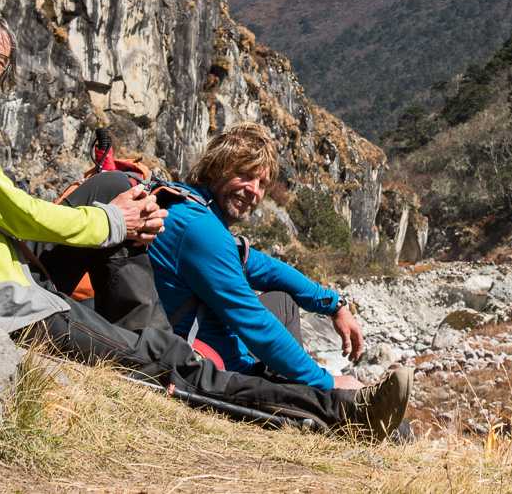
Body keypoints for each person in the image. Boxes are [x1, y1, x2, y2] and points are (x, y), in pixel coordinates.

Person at [0, 9, 410, 437]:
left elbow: (255, 263)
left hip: (11, 291)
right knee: (166, 360)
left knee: (228, 320)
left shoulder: (189, 209)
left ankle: (325, 401)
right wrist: (114, 220)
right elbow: (17, 212)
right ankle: (339, 411)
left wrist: (331, 301)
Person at [146, 123, 385, 396]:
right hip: (209, 365)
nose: (254, 191)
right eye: (245, 175)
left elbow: (268, 269)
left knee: (283, 301)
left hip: (210, 340)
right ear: (214, 169)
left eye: (262, 183)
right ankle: (308, 397)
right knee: (338, 395)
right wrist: (327, 382)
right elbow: (254, 322)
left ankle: (298, 389)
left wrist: (335, 305)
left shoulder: (192, 207)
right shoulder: (200, 230)